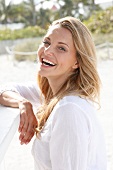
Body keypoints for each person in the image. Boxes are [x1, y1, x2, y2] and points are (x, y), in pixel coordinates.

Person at [0, 16, 107, 170]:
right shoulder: (51, 94)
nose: (47, 51)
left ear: (77, 62)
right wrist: (23, 103)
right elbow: (4, 90)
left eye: (61, 48)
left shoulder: (69, 108)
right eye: (46, 42)